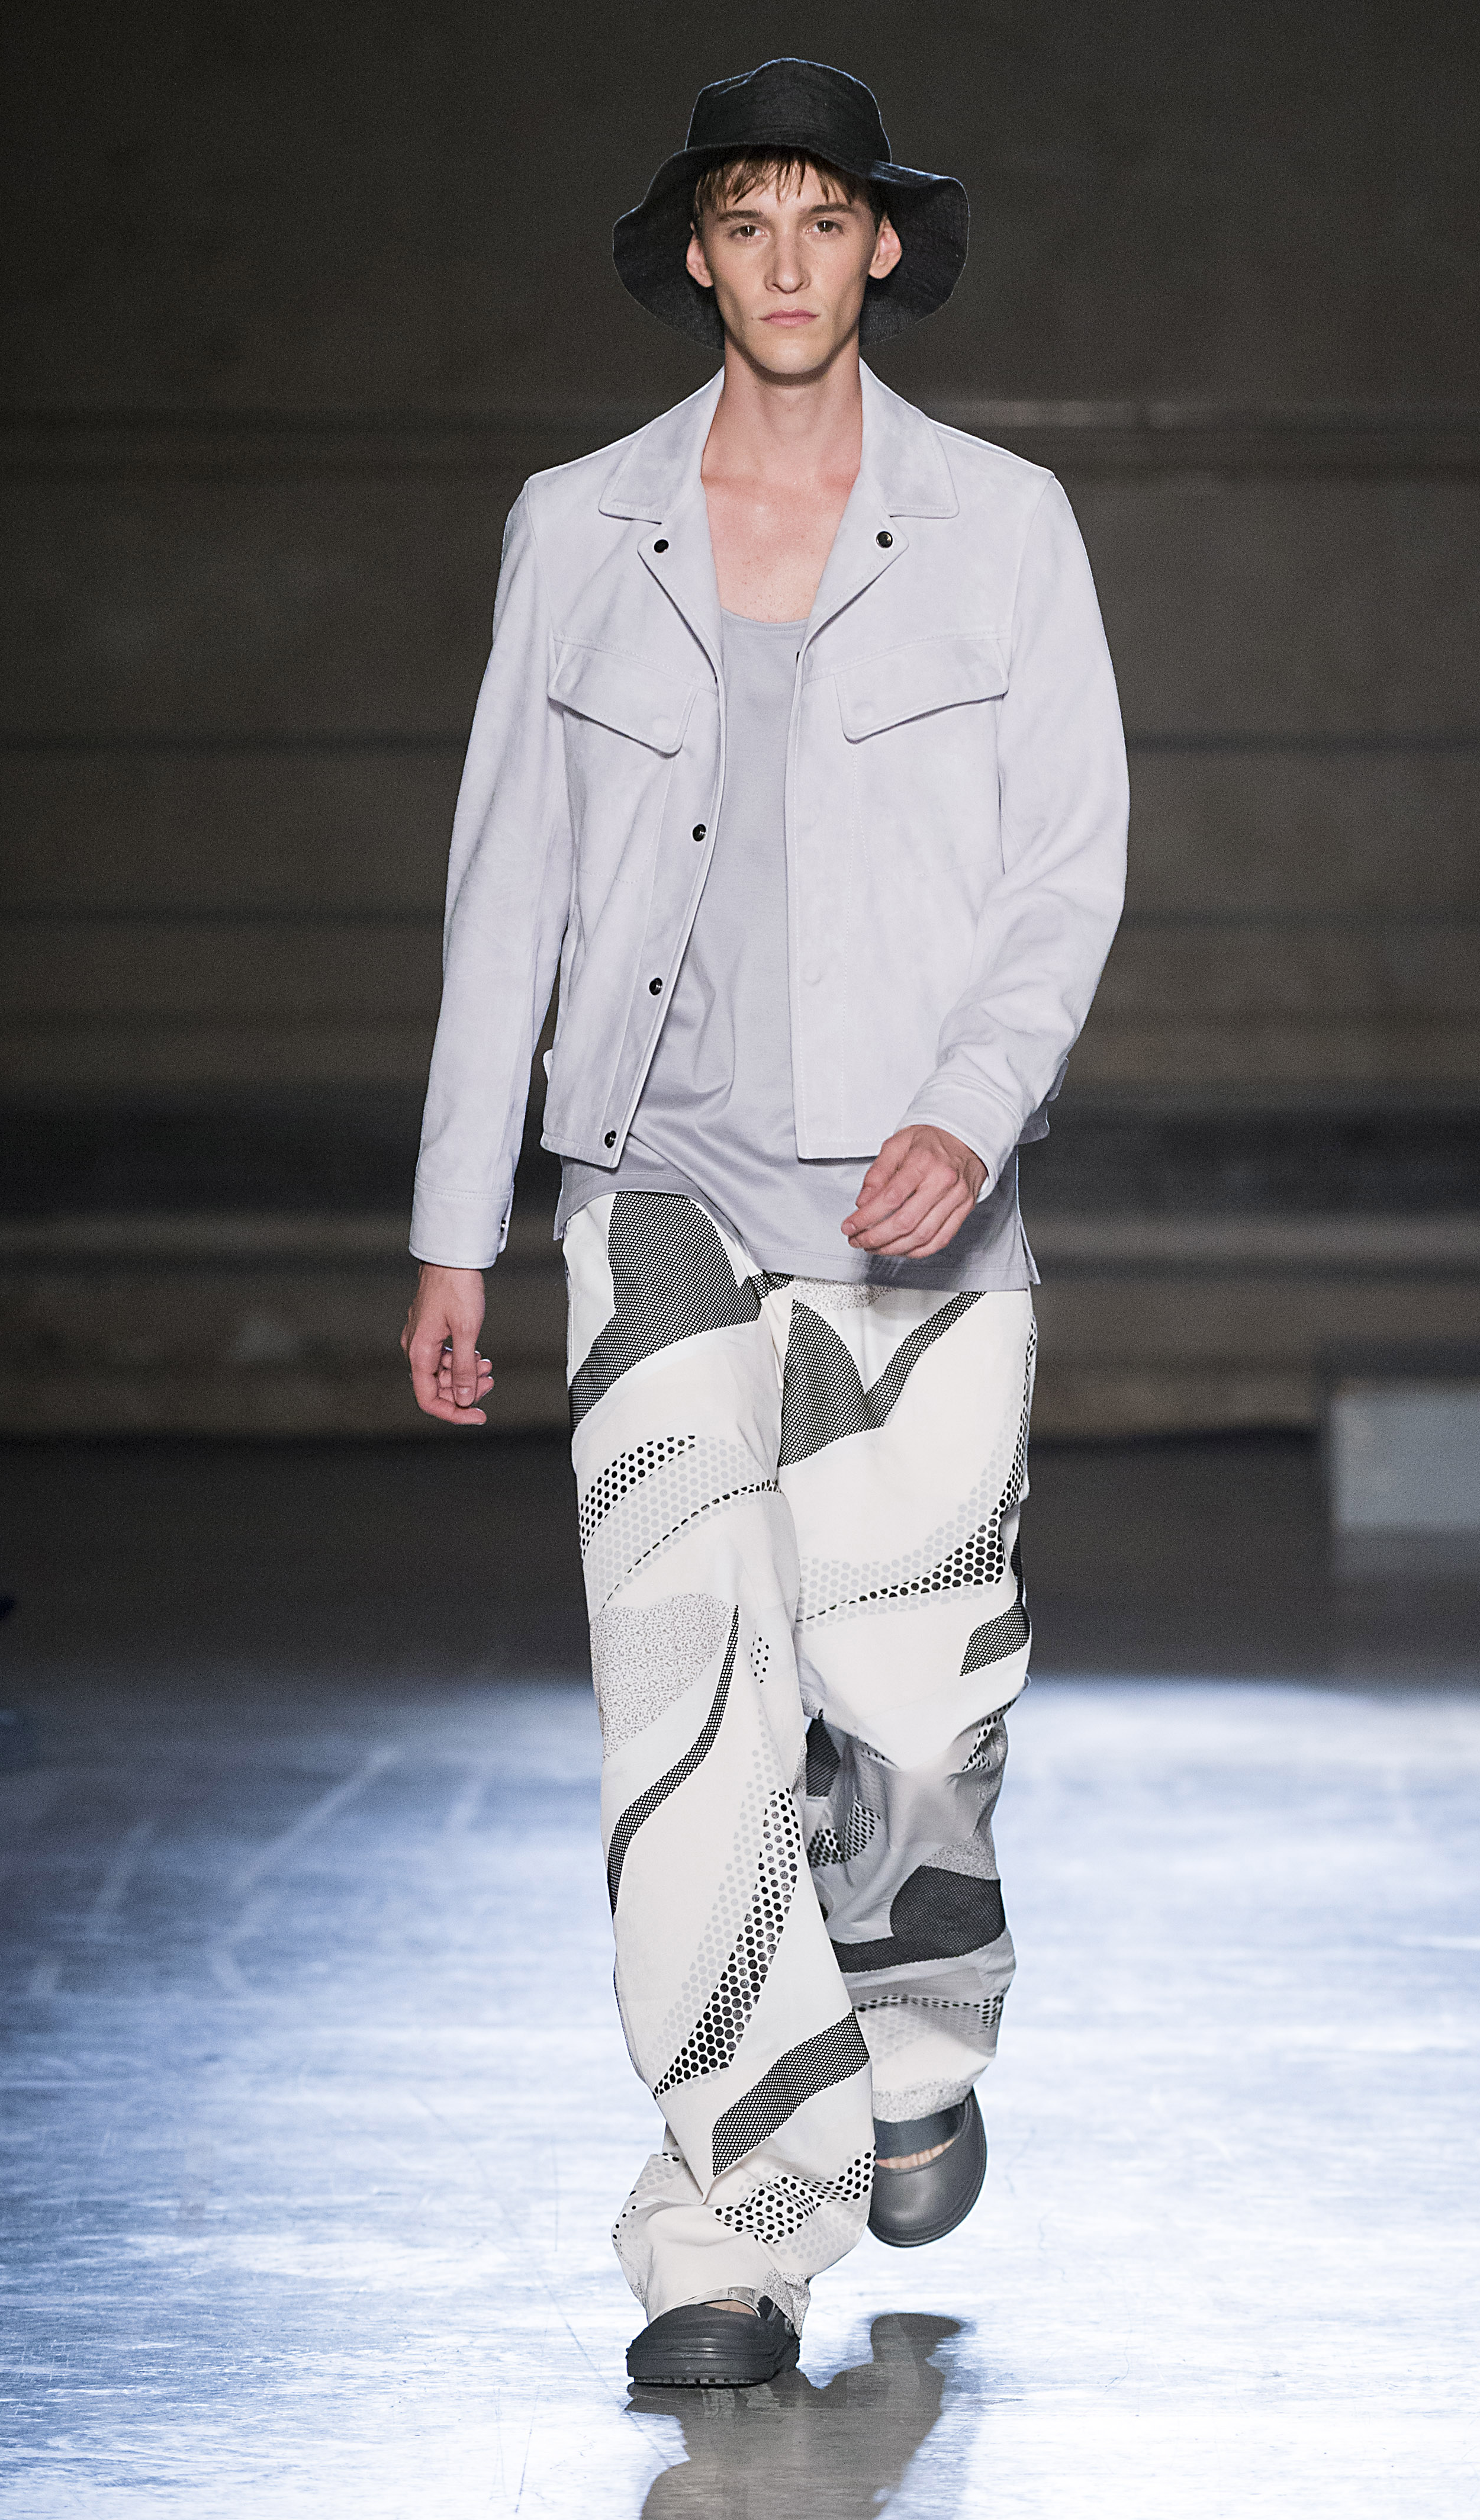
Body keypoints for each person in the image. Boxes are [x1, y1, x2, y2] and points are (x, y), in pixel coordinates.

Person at [402, 57, 1127, 2388]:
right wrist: (456, 1219)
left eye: (826, 218)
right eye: (749, 221)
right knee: (688, 1704)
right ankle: (727, 2230)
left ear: (880, 247)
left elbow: (1062, 872)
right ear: (698, 255)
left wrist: (969, 1113)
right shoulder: (578, 527)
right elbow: (506, 884)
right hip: (655, 1191)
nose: (789, 260)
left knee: (905, 1713)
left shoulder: (1002, 524)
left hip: (917, 1201)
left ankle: (914, 2027)